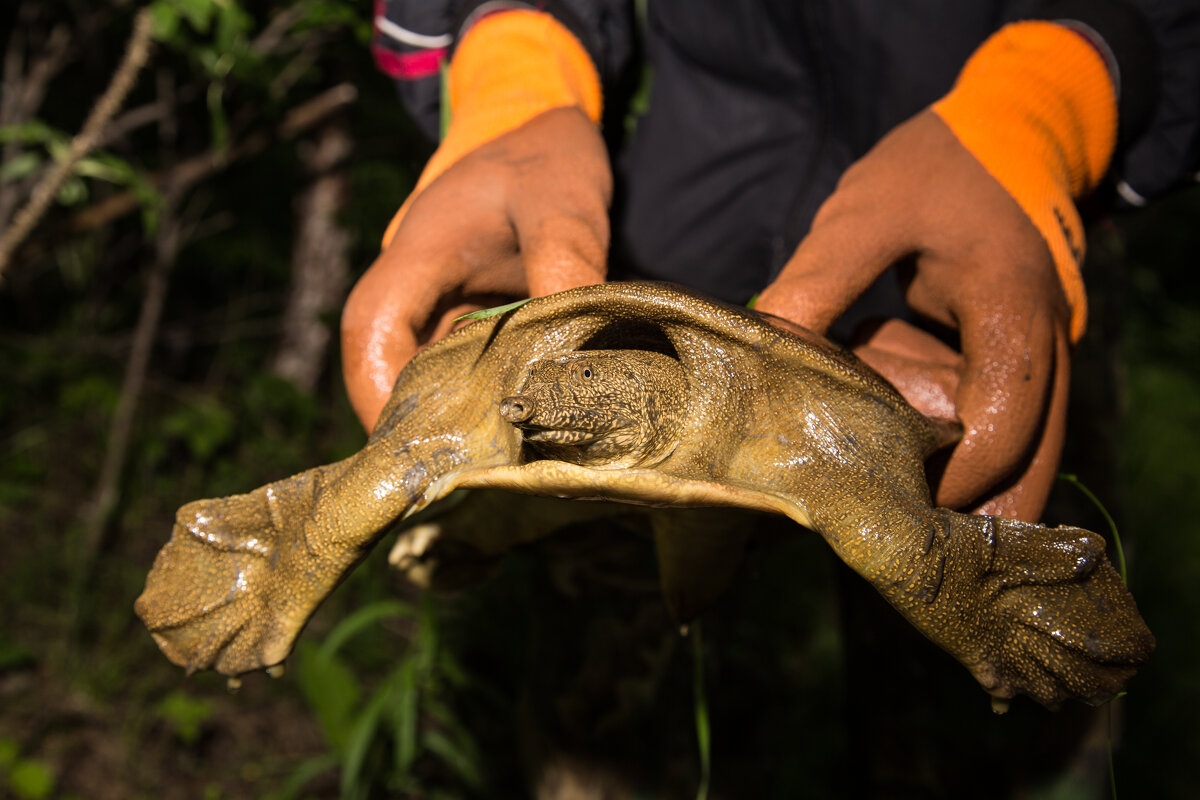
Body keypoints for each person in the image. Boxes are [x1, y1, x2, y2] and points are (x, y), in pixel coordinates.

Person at [345, 0, 1199, 523]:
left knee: (983, 612)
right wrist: (515, 66)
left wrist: (1057, 94)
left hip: (970, 275)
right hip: (645, 248)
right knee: (597, 668)